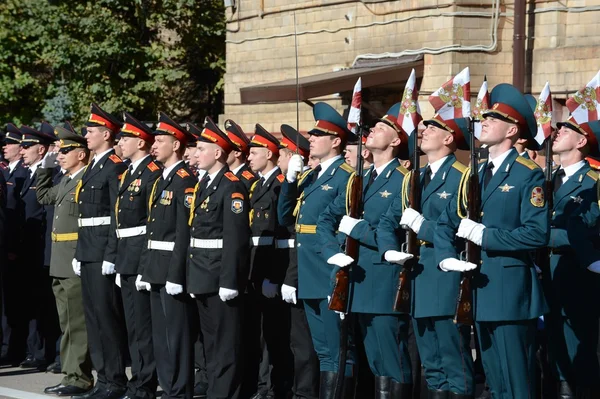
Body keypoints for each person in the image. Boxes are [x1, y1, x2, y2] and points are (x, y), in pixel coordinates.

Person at [433, 84, 549, 398]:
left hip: (510, 292)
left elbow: (537, 233)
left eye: (493, 118)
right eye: (484, 116)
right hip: (479, 290)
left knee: (515, 383)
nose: (483, 121)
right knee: (495, 383)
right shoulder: (476, 173)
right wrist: (444, 255)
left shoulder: (528, 174)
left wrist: (486, 235)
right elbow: (446, 220)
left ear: (512, 130)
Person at [317, 103, 415, 398]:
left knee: (391, 357)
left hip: (384, 279)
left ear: (396, 141)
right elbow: (326, 218)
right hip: (355, 278)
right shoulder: (362, 178)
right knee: (372, 358)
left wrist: (357, 229)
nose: (372, 131)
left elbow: (398, 234)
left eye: (381, 128)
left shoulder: (404, 180)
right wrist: (330, 250)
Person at [378, 108, 475, 398]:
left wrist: (422, 227)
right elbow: (387, 220)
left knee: (453, 358)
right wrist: (388, 251)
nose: (424, 131)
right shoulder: (414, 179)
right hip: (417, 274)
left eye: (433, 128)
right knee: (430, 361)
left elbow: (459, 229)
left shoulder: (462, 177)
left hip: (444, 273)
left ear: (449, 138)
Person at [277, 102, 355, 398]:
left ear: (336, 141)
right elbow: (286, 219)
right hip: (309, 272)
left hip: (329, 269)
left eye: (318, 134)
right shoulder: (312, 177)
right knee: (323, 350)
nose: (310, 138)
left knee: (339, 350)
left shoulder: (347, 176)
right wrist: (290, 180)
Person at [187, 117, 250, 399]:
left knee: (224, 344)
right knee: (210, 342)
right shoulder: (205, 184)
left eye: (201, 148)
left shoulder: (231, 186)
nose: (195, 153)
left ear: (217, 152)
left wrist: (230, 280)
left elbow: (235, 239)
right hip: (201, 272)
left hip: (219, 275)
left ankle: (224, 394)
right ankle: (215, 391)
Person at [542, 90, 600, 397]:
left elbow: (589, 229)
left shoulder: (593, 181)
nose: (558, 131)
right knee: (553, 350)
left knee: (579, 348)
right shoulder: (547, 179)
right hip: (545, 272)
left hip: (576, 273)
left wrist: (538, 235)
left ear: (582, 142)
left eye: (568, 129)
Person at [73, 103, 129, 399]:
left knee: (107, 318)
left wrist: (110, 254)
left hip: (102, 252)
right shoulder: (95, 166)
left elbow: (115, 215)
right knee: (93, 318)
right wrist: (79, 252)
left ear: (106, 134)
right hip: (87, 250)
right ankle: (103, 378)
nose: (86, 135)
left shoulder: (114, 167)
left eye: (90, 131)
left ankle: (116, 380)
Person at [140, 112, 197, 399]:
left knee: (176, 335)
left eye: (159, 141)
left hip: (172, 269)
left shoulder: (184, 180)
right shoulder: (162, 178)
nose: (153, 146)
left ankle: (180, 389)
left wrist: (176, 274)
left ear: (176, 145)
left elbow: (183, 232)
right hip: (155, 266)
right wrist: (145, 269)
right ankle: (169, 386)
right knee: (161, 335)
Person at [37, 122, 94, 397]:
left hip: (73, 261)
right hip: (59, 261)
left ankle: (79, 378)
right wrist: (46, 168)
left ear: (81, 154)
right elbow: (43, 196)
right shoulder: (66, 180)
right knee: (66, 323)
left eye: (65, 150)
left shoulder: (86, 180)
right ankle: (71, 374)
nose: (59, 155)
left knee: (76, 325)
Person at [114, 112, 162, 399]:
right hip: (126, 255)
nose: (120, 142)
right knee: (133, 324)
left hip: (140, 255)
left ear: (140, 143)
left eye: (125, 138)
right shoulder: (129, 172)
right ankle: (138, 380)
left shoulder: (152, 173)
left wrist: (144, 263)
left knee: (143, 326)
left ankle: (144, 384)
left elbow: (151, 224)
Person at [277, 124, 320, 399]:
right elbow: (285, 219)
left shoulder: (329, 180)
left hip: (314, 270)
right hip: (300, 270)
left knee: (317, 348)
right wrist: (291, 181)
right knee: (300, 344)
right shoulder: (303, 180)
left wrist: (291, 276)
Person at [19, 123, 61, 370]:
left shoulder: (52, 175)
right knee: (35, 303)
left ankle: (53, 354)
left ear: (41, 149)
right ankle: (36, 351)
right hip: (30, 249)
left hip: (46, 249)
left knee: (50, 306)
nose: (22, 150)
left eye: (27, 146)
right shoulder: (30, 175)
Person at [0, 124, 28, 365]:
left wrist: (12, 247)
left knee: (13, 303)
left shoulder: (20, 173)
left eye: (10, 143)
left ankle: (12, 348)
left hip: (13, 244)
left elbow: (15, 213)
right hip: (7, 241)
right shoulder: (6, 171)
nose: (5, 147)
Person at [224, 119, 259, 194]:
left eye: (226, 148)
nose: (221, 151)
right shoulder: (224, 175)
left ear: (237, 153)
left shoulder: (249, 180)